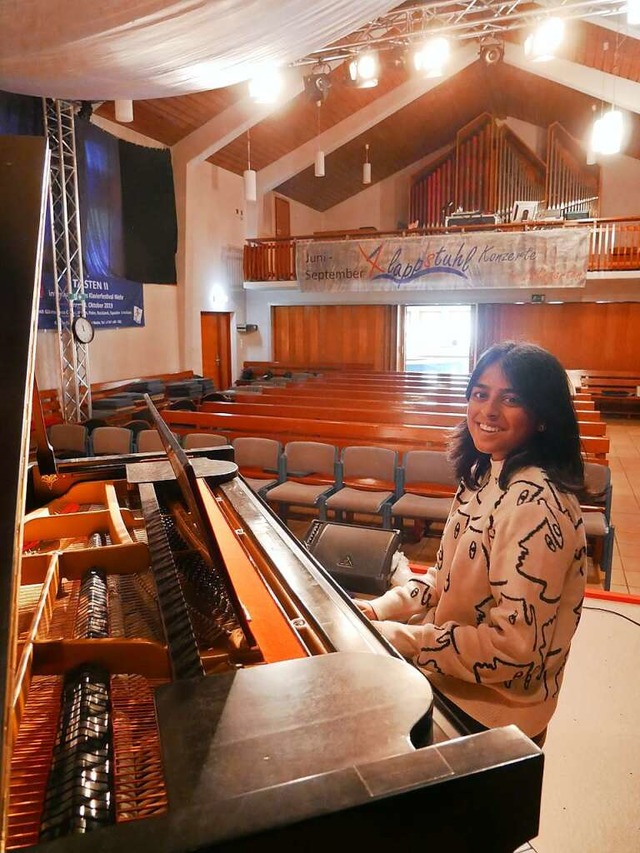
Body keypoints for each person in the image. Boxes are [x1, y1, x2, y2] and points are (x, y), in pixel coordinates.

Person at [355, 341, 587, 745]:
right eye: (480, 394)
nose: (488, 411)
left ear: (543, 417)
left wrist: (399, 638)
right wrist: (379, 610)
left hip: (491, 713)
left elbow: (512, 650)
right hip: (449, 677)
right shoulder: (483, 476)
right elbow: (442, 577)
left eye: (511, 398)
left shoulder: (535, 505)